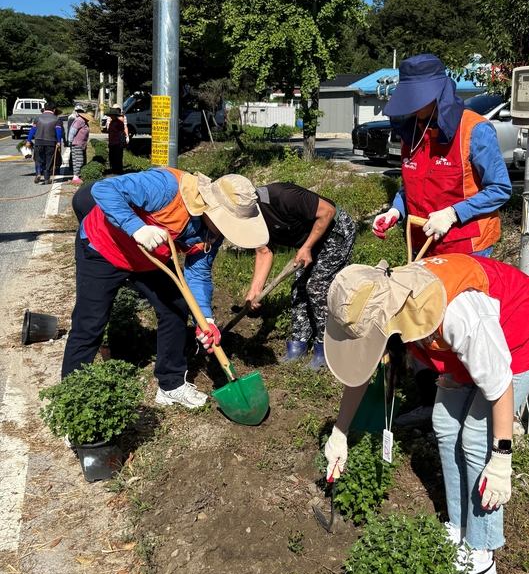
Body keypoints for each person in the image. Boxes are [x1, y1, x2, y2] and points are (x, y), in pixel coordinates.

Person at [322, 253, 529, 574]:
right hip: (467, 351)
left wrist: (502, 457)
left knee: (476, 437)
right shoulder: (389, 299)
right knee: (445, 422)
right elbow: (361, 370)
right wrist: (339, 432)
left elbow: (499, 381)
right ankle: (461, 526)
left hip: (520, 334)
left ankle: (481, 552)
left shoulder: (457, 313)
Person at [372, 55, 512, 427]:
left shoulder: (474, 131)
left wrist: (454, 213)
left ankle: (469, 412)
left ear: (437, 93)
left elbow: (501, 188)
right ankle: (432, 404)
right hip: (423, 245)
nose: (413, 108)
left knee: (458, 328)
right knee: (422, 325)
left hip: (466, 247)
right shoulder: (411, 131)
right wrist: (395, 211)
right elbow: (409, 186)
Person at [61, 171, 269, 408]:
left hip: (151, 258)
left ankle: (171, 384)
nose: (230, 231)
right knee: (90, 324)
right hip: (104, 249)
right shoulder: (166, 187)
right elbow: (103, 189)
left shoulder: (215, 232)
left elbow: (198, 273)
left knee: (176, 307)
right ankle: (73, 404)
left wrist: (206, 319)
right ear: (211, 207)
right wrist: (136, 228)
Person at [245, 182, 356, 370]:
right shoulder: (249, 217)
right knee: (299, 289)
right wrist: (255, 291)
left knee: (317, 286)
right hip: (311, 240)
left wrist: (306, 247)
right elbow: (264, 251)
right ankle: (299, 344)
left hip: (335, 232)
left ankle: (327, 349)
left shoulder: (282, 196)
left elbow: (327, 212)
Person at [26, 104, 63, 185]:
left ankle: (38, 173)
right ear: (53, 110)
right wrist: (59, 141)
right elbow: (58, 131)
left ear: (44, 109)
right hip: (51, 142)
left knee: (38, 158)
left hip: (38, 142)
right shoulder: (56, 119)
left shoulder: (37, 117)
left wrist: (28, 141)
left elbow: (32, 129)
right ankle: (47, 179)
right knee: (49, 160)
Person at [68, 108, 90, 184]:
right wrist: (70, 141)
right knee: (79, 161)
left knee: (78, 160)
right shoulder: (79, 120)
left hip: (80, 144)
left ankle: (77, 175)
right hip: (77, 143)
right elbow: (72, 131)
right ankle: (76, 177)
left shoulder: (83, 121)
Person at [106, 105, 129, 175]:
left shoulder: (119, 123)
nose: (110, 116)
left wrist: (124, 140)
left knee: (118, 157)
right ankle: (114, 169)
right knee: (112, 157)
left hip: (117, 143)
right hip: (112, 142)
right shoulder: (112, 122)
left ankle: (118, 170)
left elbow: (121, 133)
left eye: (111, 115)